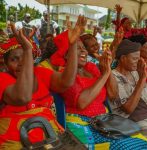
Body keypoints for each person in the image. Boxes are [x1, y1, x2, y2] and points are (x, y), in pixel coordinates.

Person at [0, 15, 87, 149]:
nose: (22, 63)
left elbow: (66, 82)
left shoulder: (40, 73)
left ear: (33, 59)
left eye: (25, 57)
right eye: (14, 59)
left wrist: (73, 45)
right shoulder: (3, 78)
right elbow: (23, 97)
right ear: (5, 65)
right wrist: (28, 50)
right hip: (17, 141)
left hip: (50, 137)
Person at [59, 37, 147, 149]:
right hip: (81, 122)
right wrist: (105, 74)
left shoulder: (91, 68)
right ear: (66, 55)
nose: (84, 51)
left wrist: (107, 69)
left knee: (143, 143)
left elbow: (112, 94)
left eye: (83, 48)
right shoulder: (64, 75)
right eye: (78, 48)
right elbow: (82, 103)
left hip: (104, 121)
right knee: (125, 147)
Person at [110, 39, 147, 138]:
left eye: (139, 59)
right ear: (123, 58)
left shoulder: (135, 72)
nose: (138, 62)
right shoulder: (113, 77)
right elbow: (128, 109)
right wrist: (142, 79)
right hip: (132, 122)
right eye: (135, 59)